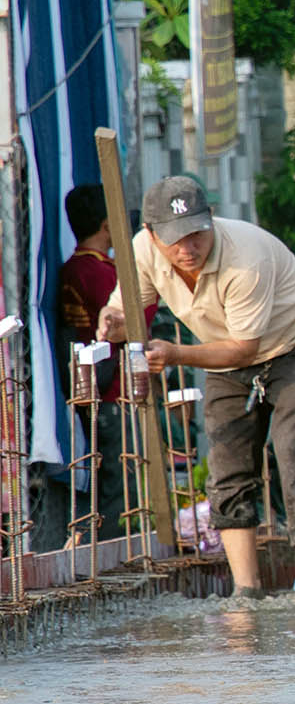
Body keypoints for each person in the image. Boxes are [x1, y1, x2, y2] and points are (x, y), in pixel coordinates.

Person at [98, 176, 295, 597]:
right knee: (228, 456)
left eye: (196, 234)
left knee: (293, 449)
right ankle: (246, 588)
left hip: (294, 340)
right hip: (222, 349)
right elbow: (123, 309)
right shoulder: (140, 252)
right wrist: (112, 322)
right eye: (174, 240)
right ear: (151, 235)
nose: (187, 249)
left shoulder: (246, 258)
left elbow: (245, 349)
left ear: (210, 219)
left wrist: (175, 354)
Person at [58, 183, 154, 541]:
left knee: (112, 477)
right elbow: (137, 316)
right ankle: (111, 548)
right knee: (119, 480)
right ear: (105, 225)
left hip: (97, 385)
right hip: (112, 390)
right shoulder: (100, 272)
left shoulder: (75, 268)